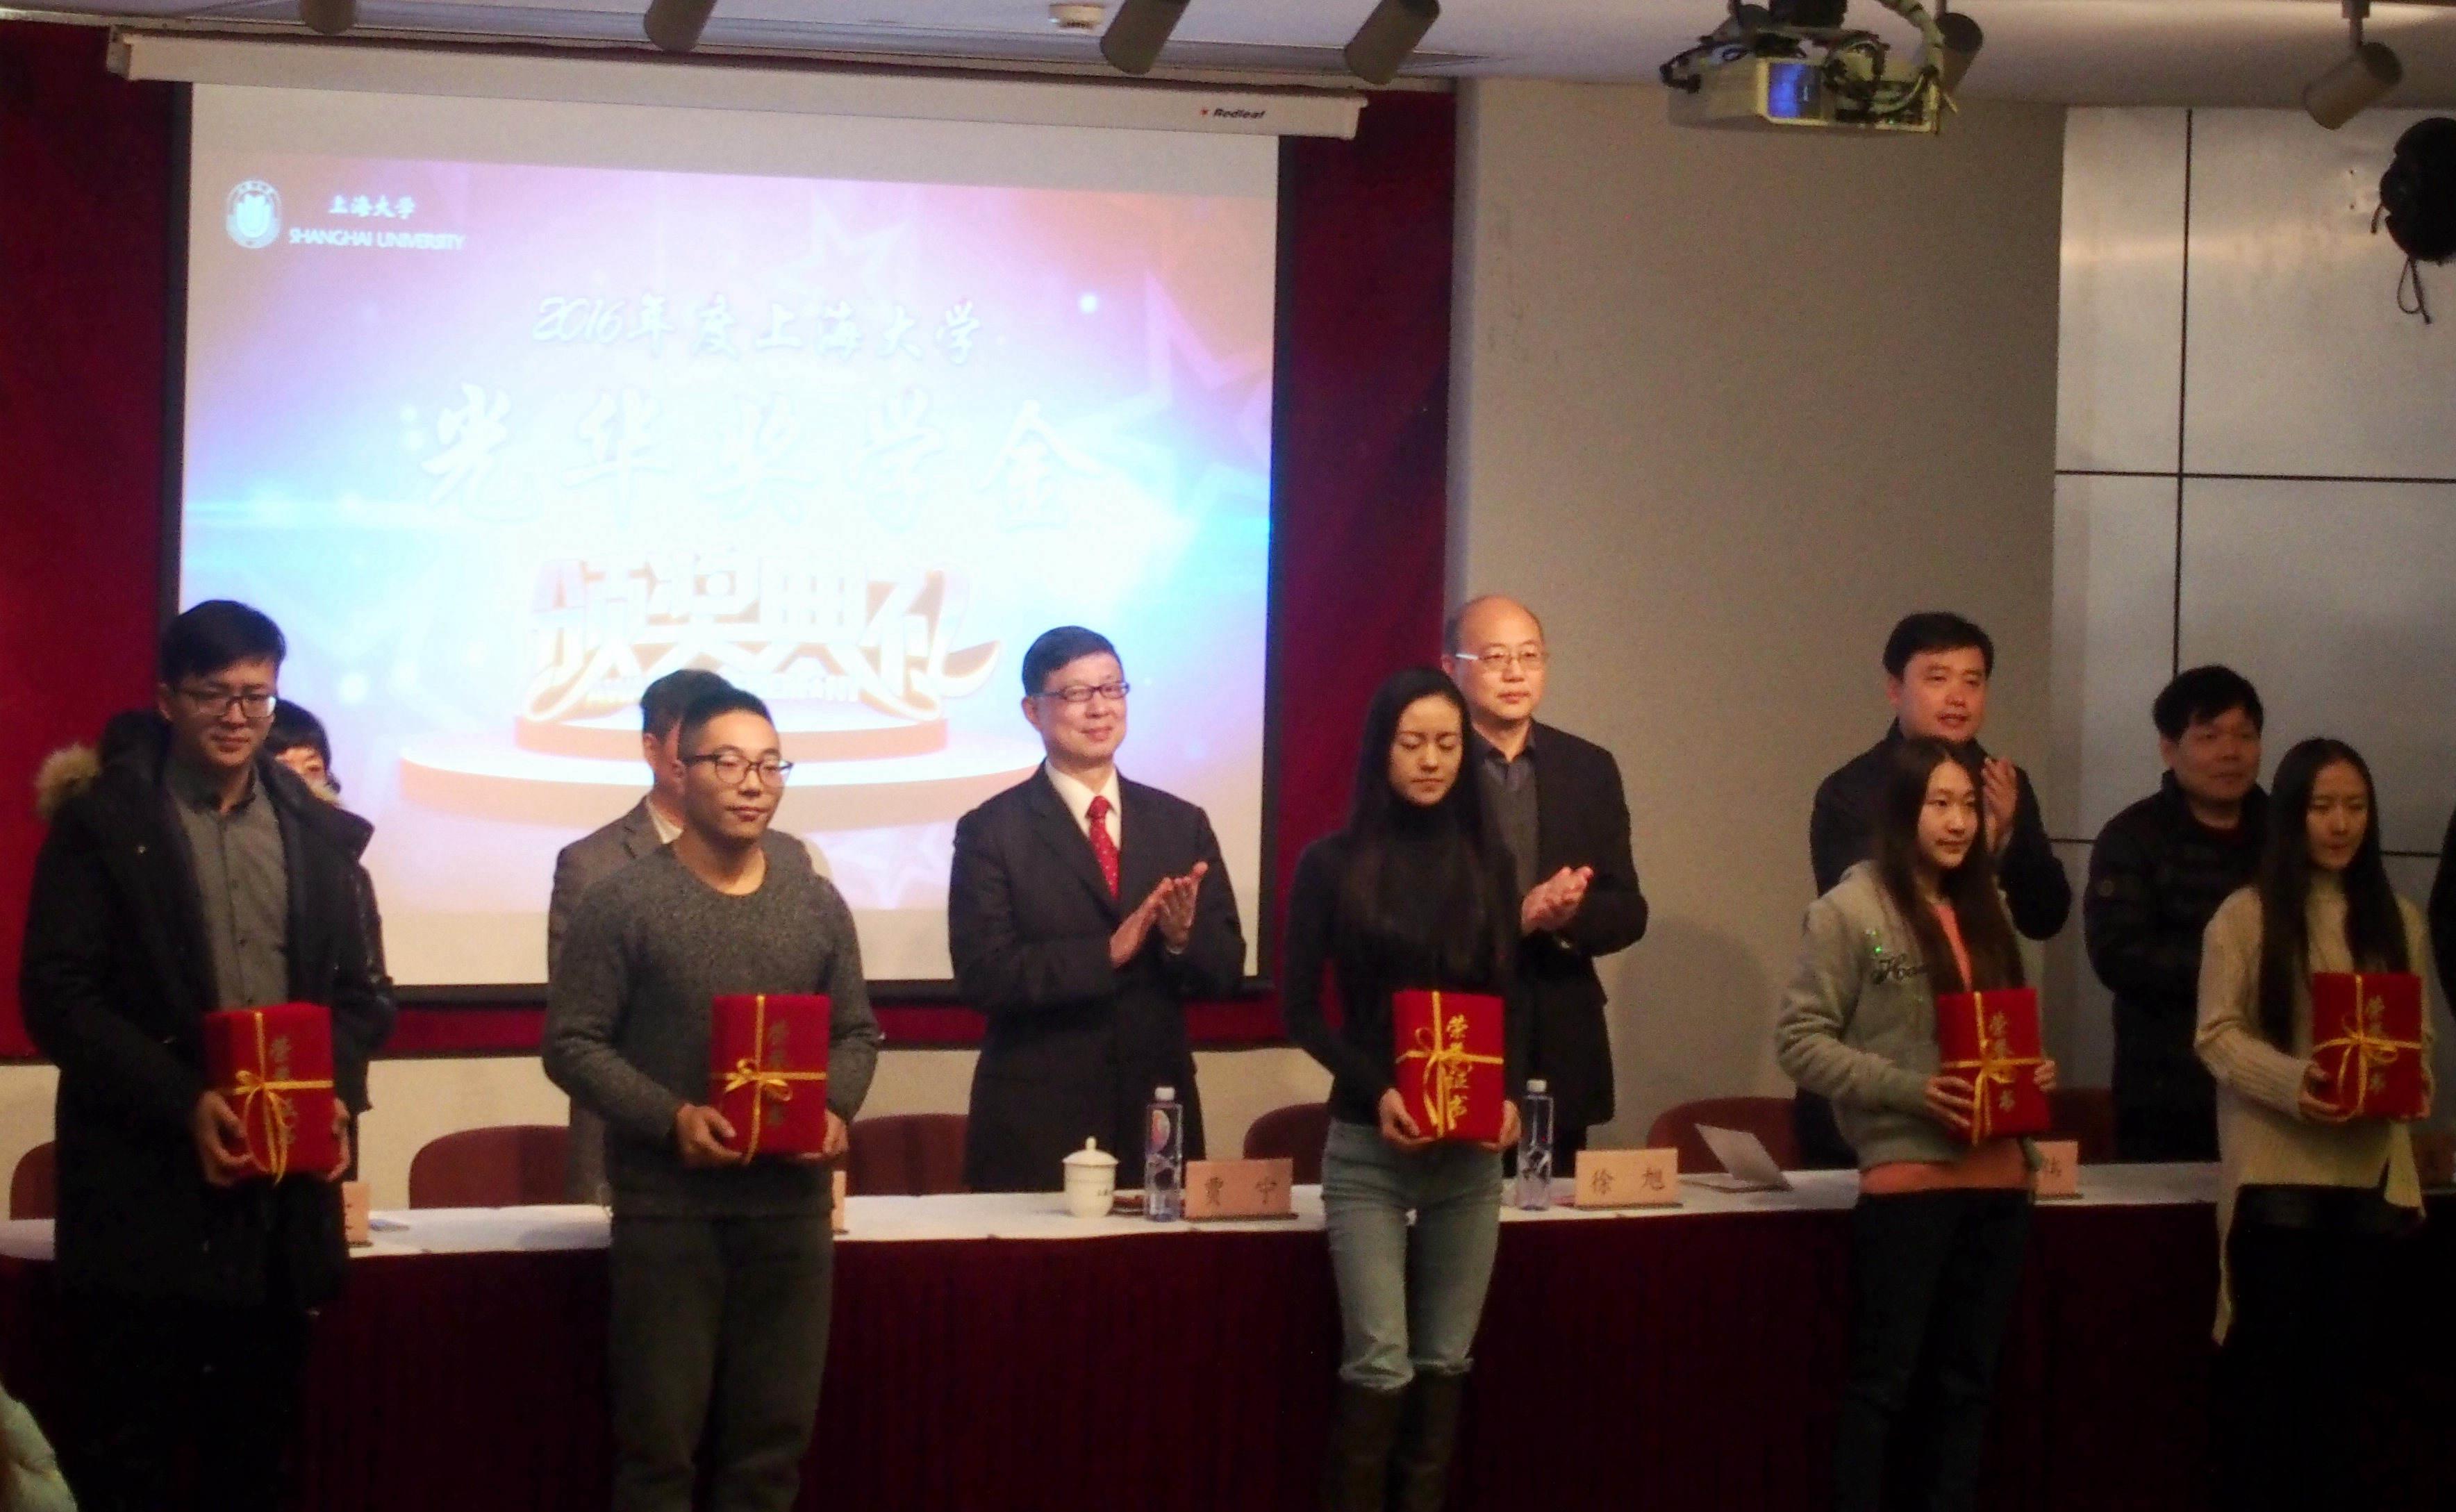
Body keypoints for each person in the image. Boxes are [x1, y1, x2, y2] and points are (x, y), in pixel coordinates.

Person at [19, 599, 395, 1512]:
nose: (237, 716)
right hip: (144, 1201)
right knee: (131, 1463)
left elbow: (364, 995)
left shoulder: (313, 829)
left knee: (256, 1463)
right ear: (166, 698)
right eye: (213, 695)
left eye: (256, 696)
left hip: (276, 1216)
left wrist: (335, 1090)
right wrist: (184, 1100)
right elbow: (58, 998)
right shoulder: (104, 823)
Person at [544, 688, 882, 1512]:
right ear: (679, 768)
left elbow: (855, 1031)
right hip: (669, 1215)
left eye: (770, 764)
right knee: (658, 1454)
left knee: (770, 1455)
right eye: (728, 762)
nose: (752, 782)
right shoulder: (622, 902)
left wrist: (834, 1107)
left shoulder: (814, 901)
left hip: (791, 1214)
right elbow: (572, 1043)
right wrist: (671, 1118)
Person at [1776, 737, 2058, 1512]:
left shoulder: (1990, 905)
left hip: (2001, 1180)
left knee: (1966, 1388)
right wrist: (1910, 1090)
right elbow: (1799, 1040)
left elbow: (2005, 1030)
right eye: (1940, 803)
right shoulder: (1850, 910)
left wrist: (2032, 1070)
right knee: (1884, 1388)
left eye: (1968, 805)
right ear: (1902, 810)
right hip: (1910, 1182)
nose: (1958, 821)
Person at [1284, 667, 1528, 1512]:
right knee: (1379, 1360)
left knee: (1444, 1360)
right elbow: (1299, 1010)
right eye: (1412, 742)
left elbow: (1508, 998)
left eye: (1447, 744)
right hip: (1369, 1146)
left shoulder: (1490, 862)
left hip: (1468, 1156)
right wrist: (1377, 1088)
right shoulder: (1330, 862)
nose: (1430, 760)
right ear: (1380, 751)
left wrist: (1507, 1097)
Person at [2195, 738, 2431, 1512]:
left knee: (2341, 1391)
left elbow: (2416, 1035)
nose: (2340, 823)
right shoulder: (2245, 914)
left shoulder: (2398, 919)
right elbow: (2216, 1035)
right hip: (2276, 1178)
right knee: (2268, 1391)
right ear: (2291, 815)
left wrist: (2413, 1083)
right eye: (2322, 806)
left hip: (2367, 1177)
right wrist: (2297, 1082)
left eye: (2355, 807)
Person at [947, 626, 1245, 1193]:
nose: (1100, 707)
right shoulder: (991, 830)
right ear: (1033, 710)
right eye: (1076, 693)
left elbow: (1226, 969)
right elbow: (984, 975)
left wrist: (1181, 940)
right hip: (1036, 1122)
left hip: (1156, 1113)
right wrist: (1103, 954)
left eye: (1112, 688)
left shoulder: (1181, 823)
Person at [1798, 612, 2071, 1168]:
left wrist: (2010, 835)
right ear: (1894, 687)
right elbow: (1871, 917)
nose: (1957, 697)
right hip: (1881, 1085)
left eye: (1974, 680)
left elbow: (2045, 914)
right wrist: (1981, 846)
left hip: (1983, 1089)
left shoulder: (2002, 783)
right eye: (1938, 677)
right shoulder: (1852, 790)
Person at [1439, 596, 1648, 1161]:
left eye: (1530, 656)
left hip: (1560, 1027)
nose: (1516, 673)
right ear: (1451, 667)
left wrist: (1570, 913)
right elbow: (1412, 912)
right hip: (1460, 1026)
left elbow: (1629, 908)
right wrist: (1519, 915)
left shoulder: (1588, 767)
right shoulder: (1432, 765)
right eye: (1495, 657)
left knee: (1553, 1207)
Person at [549, 666, 733, 1202]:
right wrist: (671, 1113)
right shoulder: (593, 864)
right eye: (690, 741)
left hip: (751, 1150)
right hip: (629, 1153)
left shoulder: (785, 857)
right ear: (652, 748)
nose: (708, 759)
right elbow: (579, 1028)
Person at [2084, 666, 2268, 1162]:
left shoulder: (2285, 837)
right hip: (2165, 1090)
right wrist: (2239, 967)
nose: (2231, 752)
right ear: (2169, 748)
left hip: (2273, 1083)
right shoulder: (2131, 836)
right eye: (2210, 737)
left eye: (2245, 736)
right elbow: (2119, 956)